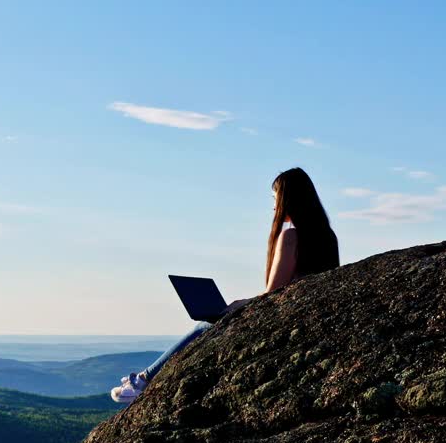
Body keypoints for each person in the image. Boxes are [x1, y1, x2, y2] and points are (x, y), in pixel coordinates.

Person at [110, 167, 340, 404]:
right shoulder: (327, 236)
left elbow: (276, 292)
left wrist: (243, 304)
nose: (273, 207)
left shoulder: (291, 236)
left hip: (287, 316)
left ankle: (143, 381)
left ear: (288, 199)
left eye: (275, 199)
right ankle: (144, 379)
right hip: (306, 314)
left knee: (206, 325)